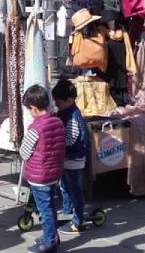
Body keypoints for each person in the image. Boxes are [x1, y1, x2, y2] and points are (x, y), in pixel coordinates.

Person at [20, 85, 66, 253]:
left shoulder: (35, 128)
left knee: (44, 210)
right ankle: (53, 236)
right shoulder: (58, 122)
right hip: (54, 173)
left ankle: (49, 242)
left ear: (33, 108)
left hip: (39, 177)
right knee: (51, 206)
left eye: (29, 110)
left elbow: (24, 153)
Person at [52, 79, 88, 236]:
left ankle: (78, 220)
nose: (57, 106)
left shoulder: (73, 115)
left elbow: (72, 138)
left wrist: (57, 143)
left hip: (74, 159)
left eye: (59, 103)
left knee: (76, 189)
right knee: (65, 186)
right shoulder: (64, 112)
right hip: (67, 158)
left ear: (69, 100)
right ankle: (67, 210)